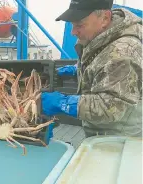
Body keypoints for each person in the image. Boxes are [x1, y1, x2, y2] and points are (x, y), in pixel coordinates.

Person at [42, 0, 142, 137]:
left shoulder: (123, 53)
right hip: (99, 131)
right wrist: (76, 69)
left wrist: (63, 103)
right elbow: (101, 61)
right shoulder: (101, 34)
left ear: (105, 18)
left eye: (79, 25)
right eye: (72, 25)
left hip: (118, 139)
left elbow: (111, 107)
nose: (73, 32)